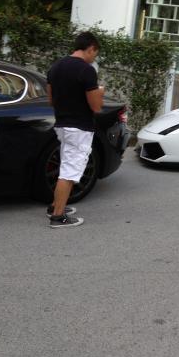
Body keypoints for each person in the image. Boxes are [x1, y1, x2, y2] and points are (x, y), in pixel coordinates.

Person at [46, 32, 105, 228]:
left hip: (62, 124)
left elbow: (51, 99)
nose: (93, 58)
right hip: (79, 127)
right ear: (91, 48)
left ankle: (55, 205)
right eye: (94, 54)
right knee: (70, 172)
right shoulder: (86, 71)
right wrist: (100, 92)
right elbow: (96, 107)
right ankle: (58, 216)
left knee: (65, 166)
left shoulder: (56, 67)